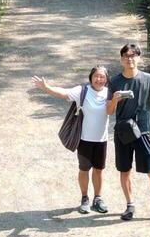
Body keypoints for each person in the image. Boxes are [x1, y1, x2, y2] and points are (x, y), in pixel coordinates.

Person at [106, 42, 150, 225]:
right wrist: (114, 99)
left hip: (143, 131)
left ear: (138, 57)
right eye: (126, 56)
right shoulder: (114, 81)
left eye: (133, 55)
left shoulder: (148, 79)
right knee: (125, 170)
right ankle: (129, 205)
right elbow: (108, 111)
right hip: (123, 132)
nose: (130, 59)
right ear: (121, 59)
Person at [31, 66, 112, 214]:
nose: (99, 79)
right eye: (96, 76)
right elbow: (64, 93)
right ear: (91, 77)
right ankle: (85, 198)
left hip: (102, 139)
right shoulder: (83, 91)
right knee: (84, 169)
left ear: (106, 79)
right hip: (84, 139)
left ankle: (98, 199)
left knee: (99, 170)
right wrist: (47, 87)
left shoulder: (109, 93)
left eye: (102, 77)